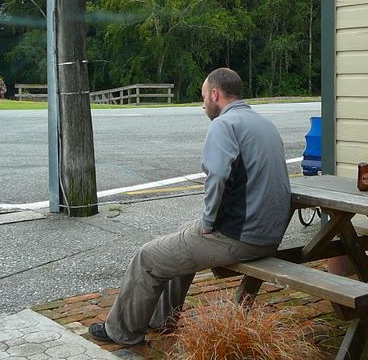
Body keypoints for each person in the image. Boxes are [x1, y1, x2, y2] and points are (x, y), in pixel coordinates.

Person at [89, 67, 291, 345]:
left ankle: (121, 331)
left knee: (147, 257)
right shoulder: (264, 124)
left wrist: (208, 222)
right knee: (179, 242)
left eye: (203, 96)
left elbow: (217, 176)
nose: (202, 103)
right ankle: (162, 320)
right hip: (269, 236)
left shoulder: (224, 125)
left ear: (215, 94)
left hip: (240, 238)